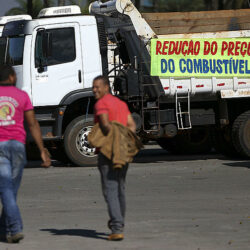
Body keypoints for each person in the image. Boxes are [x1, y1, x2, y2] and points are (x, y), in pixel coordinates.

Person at [0, 64, 51, 243]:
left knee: (6, 190)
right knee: (10, 190)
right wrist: (42, 151)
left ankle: (12, 228)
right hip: (18, 147)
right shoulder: (22, 96)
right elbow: (33, 124)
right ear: (12, 77)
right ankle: (9, 228)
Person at [92, 75, 136, 241]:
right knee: (120, 189)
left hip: (108, 152)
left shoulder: (101, 104)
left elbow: (104, 124)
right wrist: (123, 139)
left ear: (106, 88)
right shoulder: (121, 104)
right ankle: (119, 223)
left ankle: (117, 227)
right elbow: (132, 125)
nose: (94, 90)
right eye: (93, 87)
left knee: (110, 189)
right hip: (123, 152)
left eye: (97, 87)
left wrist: (114, 140)